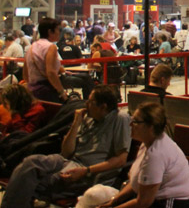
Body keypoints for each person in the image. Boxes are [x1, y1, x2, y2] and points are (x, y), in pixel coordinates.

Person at [0, 86, 131, 207]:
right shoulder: (89, 117)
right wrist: (75, 124)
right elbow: (66, 152)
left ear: (103, 107)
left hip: (87, 170)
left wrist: (86, 171)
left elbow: (121, 160)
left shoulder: (120, 119)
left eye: (90, 102)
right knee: (30, 163)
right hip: (67, 161)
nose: (85, 104)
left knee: (36, 183)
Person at [91, 103, 189, 208]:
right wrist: (113, 202)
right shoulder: (147, 143)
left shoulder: (156, 155)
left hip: (171, 203)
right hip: (153, 199)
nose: (130, 124)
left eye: (135, 122)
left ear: (150, 127)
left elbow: (143, 203)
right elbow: (136, 182)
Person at [23, 17, 68, 103]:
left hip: (33, 90)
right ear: (50, 32)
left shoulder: (31, 47)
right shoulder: (51, 47)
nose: (59, 33)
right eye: (57, 30)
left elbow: (25, 73)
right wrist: (62, 92)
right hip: (47, 91)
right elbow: (51, 72)